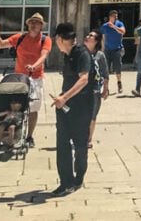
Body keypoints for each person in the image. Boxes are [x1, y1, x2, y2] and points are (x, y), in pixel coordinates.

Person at [0, 13, 52, 147]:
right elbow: (0, 45)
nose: (34, 24)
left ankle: (29, 136)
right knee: (14, 104)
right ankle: (12, 129)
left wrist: (34, 66)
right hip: (19, 78)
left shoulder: (45, 40)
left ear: (41, 26)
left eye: (37, 22)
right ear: (28, 24)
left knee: (34, 108)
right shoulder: (20, 37)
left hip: (36, 78)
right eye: (31, 22)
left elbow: (43, 56)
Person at [50, 22, 93, 197]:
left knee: (80, 146)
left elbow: (84, 80)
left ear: (60, 39)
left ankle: (78, 178)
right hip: (64, 108)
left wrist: (64, 97)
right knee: (62, 144)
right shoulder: (67, 55)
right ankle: (65, 182)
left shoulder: (82, 53)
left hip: (81, 108)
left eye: (56, 40)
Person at [83, 31, 110, 148]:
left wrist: (106, 89)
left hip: (95, 89)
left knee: (93, 115)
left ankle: (88, 139)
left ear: (96, 41)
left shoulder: (100, 55)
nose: (87, 37)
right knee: (82, 114)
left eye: (91, 36)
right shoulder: (81, 53)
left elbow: (105, 73)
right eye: (88, 35)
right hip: (82, 89)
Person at [100, 11, 126, 94]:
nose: (116, 18)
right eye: (114, 16)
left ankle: (119, 83)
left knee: (118, 68)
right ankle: (106, 87)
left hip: (117, 49)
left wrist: (114, 26)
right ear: (110, 17)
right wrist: (102, 49)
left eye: (117, 16)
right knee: (105, 69)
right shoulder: (105, 26)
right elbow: (103, 38)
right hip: (107, 50)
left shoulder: (119, 24)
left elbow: (123, 32)